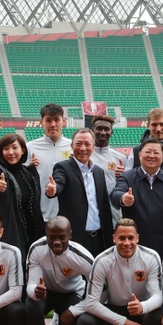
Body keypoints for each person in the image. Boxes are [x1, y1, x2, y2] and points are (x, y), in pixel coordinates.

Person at [77, 218, 163, 325]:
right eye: (122, 238)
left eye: (131, 238)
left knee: (159, 315)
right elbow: (91, 303)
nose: (126, 243)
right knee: (84, 321)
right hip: (116, 308)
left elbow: (158, 296)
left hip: (142, 309)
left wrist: (143, 307)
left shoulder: (151, 257)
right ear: (114, 238)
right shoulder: (102, 260)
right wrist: (125, 323)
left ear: (137, 238)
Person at [24, 216, 95, 325]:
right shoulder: (36, 249)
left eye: (62, 237)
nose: (56, 242)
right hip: (46, 292)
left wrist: (74, 310)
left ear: (70, 235)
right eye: (52, 237)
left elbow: (99, 291)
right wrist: (35, 292)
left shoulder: (82, 256)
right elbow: (31, 284)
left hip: (71, 292)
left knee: (80, 317)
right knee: (31, 307)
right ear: (46, 235)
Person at [111, 137, 163, 258]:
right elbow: (116, 194)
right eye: (148, 152)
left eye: (156, 153)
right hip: (134, 247)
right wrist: (123, 198)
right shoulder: (128, 177)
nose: (151, 156)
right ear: (139, 155)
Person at [45, 128, 113, 256]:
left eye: (87, 144)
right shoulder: (63, 167)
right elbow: (58, 182)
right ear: (71, 146)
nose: (83, 148)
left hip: (99, 239)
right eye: (78, 143)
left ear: (93, 147)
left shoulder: (98, 172)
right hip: (75, 239)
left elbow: (105, 208)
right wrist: (53, 190)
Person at [0, 133, 44, 254]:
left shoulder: (27, 172)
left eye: (14, 147)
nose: (10, 152)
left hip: (32, 232)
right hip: (9, 234)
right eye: (6, 148)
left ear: (22, 150)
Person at [26, 103, 72, 220]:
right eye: (48, 120)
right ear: (41, 122)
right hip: (40, 213)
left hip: (68, 213)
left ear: (63, 121)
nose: (53, 124)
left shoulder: (72, 147)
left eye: (57, 120)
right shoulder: (30, 148)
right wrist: (29, 168)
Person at [92, 114, 131, 222]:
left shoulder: (121, 157)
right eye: (99, 128)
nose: (103, 132)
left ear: (111, 132)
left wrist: (123, 176)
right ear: (92, 130)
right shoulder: (85, 156)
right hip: (89, 211)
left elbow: (127, 185)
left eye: (106, 129)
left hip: (112, 212)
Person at [129, 108, 163, 177]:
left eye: (162, 124)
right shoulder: (135, 152)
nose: (158, 129)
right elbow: (127, 177)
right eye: (154, 125)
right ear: (148, 125)